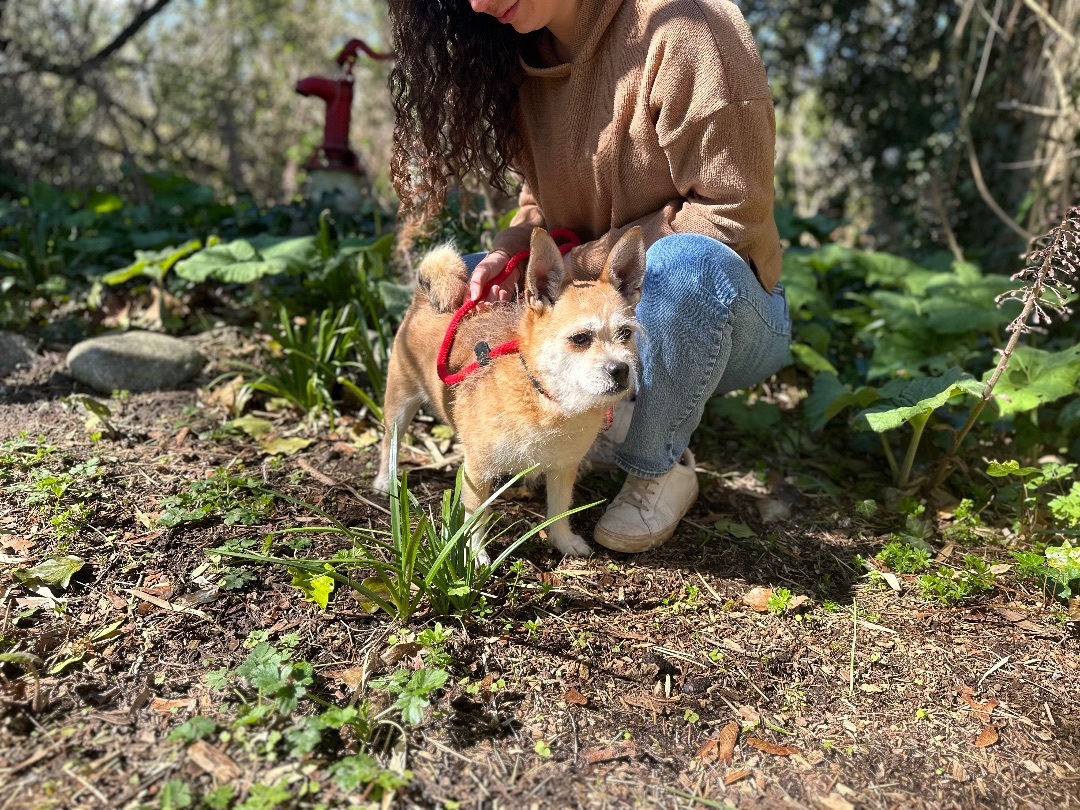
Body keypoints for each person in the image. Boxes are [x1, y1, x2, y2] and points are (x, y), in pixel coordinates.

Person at [385, 0, 791, 553]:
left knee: (682, 269)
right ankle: (587, 421)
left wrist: (574, 268)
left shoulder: (689, 29)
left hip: (729, 305)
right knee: (517, 299)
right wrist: (508, 252)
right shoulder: (524, 59)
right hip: (609, 304)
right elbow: (543, 206)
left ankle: (657, 465)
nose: (478, 3)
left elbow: (733, 212)